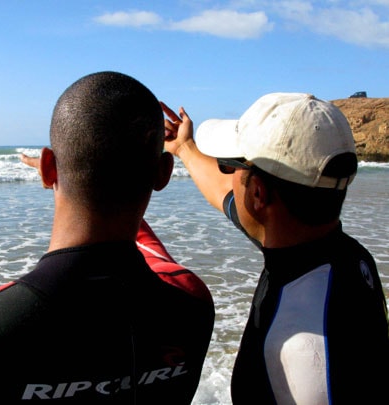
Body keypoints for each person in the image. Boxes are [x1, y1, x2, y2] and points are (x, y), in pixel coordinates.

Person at [0, 71, 215, 404]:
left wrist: (64, 173)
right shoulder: (191, 305)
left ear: (47, 168)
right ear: (164, 173)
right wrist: (183, 149)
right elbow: (148, 249)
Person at [161, 93, 389, 404]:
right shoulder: (344, 255)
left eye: (231, 166)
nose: (228, 177)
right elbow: (226, 196)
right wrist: (185, 148)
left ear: (258, 194)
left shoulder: (300, 343)